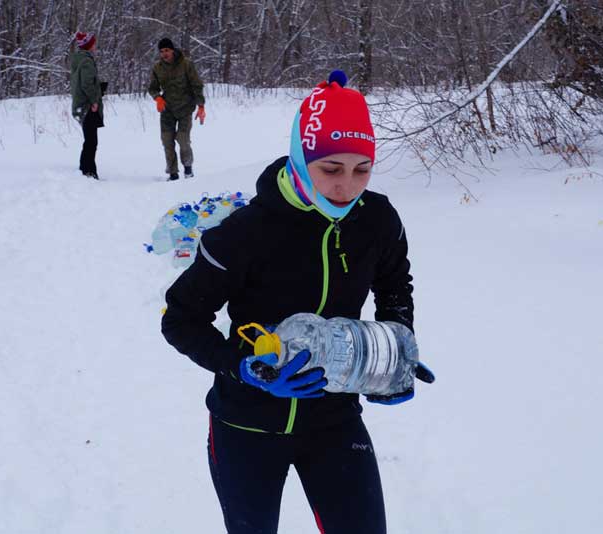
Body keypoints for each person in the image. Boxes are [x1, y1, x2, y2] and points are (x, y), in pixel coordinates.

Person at [161, 70, 434, 534]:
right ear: (301, 157)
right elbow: (181, 320)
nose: (346, 187)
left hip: (333, 418)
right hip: (245, 425)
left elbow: (394, 285)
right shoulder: (245, 234)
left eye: (361, 169)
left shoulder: (378, 221)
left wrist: (395, 347)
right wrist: (244, 366)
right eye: (331, 169)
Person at [147, 37, 206, 181]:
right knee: (167, 140)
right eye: (161, 51)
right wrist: (158, 98)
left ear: (172, 50)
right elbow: (152, 88)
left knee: (183, 139)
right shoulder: (157, 68)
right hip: (167, 110)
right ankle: (173, 173)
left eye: (167, 50)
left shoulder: (186, 64)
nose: (164, 54)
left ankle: (188, 169)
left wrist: (201, 106)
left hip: (185, 108)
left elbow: (197, 85)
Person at [69, 31, 104, 180]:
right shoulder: (87, 62)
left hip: (80, 105)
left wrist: (98, 88)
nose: (95, 46)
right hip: (87, 106)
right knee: (91, 141)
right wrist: (94, 101)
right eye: (93, 43)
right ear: (89, 46)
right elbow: (87, 84)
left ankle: (85, 168)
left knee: (89, 139)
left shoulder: (79, 60)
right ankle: (88, 171)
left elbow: (84, 83)